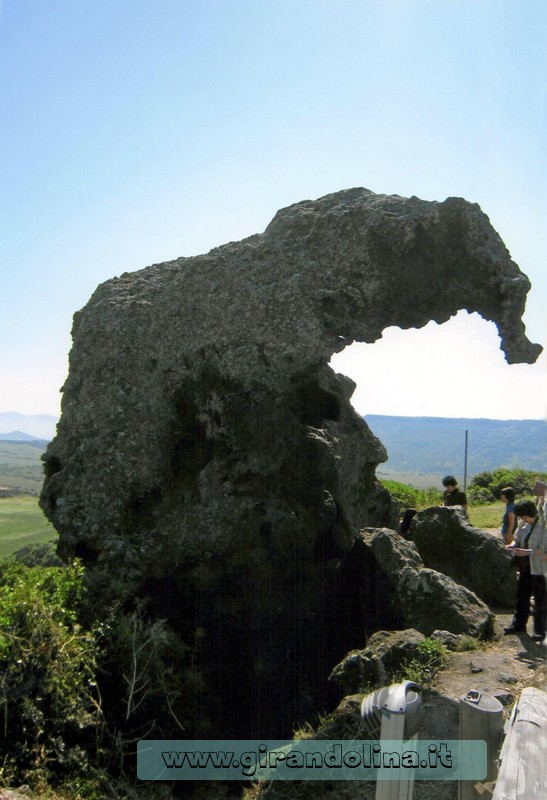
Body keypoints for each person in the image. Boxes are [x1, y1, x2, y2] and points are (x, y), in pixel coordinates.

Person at [504, 500, 546, 640]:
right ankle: (519, 624)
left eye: (522, 517)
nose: (521, 520)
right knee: (522, 595)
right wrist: (512, 546)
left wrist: (526, 552)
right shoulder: (523, 525)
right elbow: (517, 539)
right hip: (526, 566)